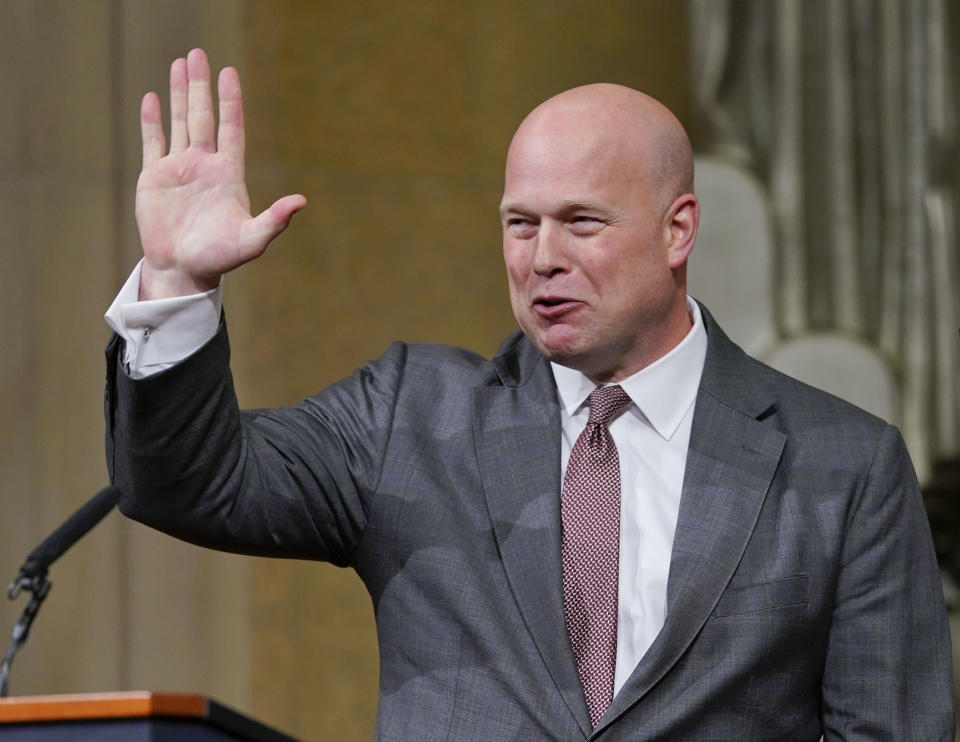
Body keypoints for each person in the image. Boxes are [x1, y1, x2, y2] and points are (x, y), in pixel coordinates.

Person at [104, 48, 954, 740]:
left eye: (582, 221)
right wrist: (178, 280)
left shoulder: (844, 464)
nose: (541, 256)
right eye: (520, 223)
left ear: (678, 229)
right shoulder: (410, 415)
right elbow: (193, 483)